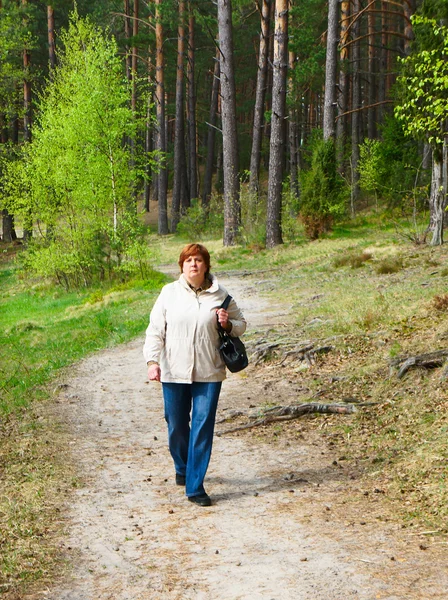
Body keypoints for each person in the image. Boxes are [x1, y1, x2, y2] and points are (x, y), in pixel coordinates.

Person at [143, 243, 247, 507]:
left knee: (202, 426)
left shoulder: (220, 295)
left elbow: (241, 325)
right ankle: (182, 466)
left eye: (198, 260)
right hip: (173, 371)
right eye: (188, 260)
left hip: (209, 371)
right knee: (176, 423)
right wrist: (152, 361)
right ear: (182, 265)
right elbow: (155, 329)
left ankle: (195, 485)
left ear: (206, 265)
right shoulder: (169, 293)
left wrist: (227, 323)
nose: (193, 264)